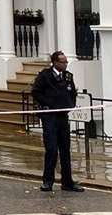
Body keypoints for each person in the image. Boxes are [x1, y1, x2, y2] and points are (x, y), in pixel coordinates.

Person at [30, 50, 83, 192]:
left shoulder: (67, 76)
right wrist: (48, 105)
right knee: (52, 149)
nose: (65, 64)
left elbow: (72, 92)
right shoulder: (45, 76)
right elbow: (35, 92)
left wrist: (70, 105)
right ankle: (48, 181)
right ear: (55, 62)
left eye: (66, 62)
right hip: (50, 117)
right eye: (63, 62)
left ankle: (67, 182)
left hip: (62, 116)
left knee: (65, 150)